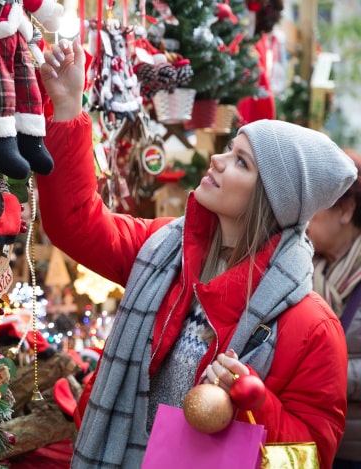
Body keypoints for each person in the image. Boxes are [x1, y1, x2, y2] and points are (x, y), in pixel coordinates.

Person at [36, 38, 355, 469]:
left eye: (242, 162)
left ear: (272, 199)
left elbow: (310, 457)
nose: (219, 160)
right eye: (230, 149)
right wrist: (69, 105)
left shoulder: (313, 327)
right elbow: (74, 225)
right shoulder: (164, 250)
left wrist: (255, 401)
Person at [307, 150, 361, 469]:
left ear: (346, 210)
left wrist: (325, 375)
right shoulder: (300, 265)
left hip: (352, 451)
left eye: (315, 204)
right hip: (304, 438)